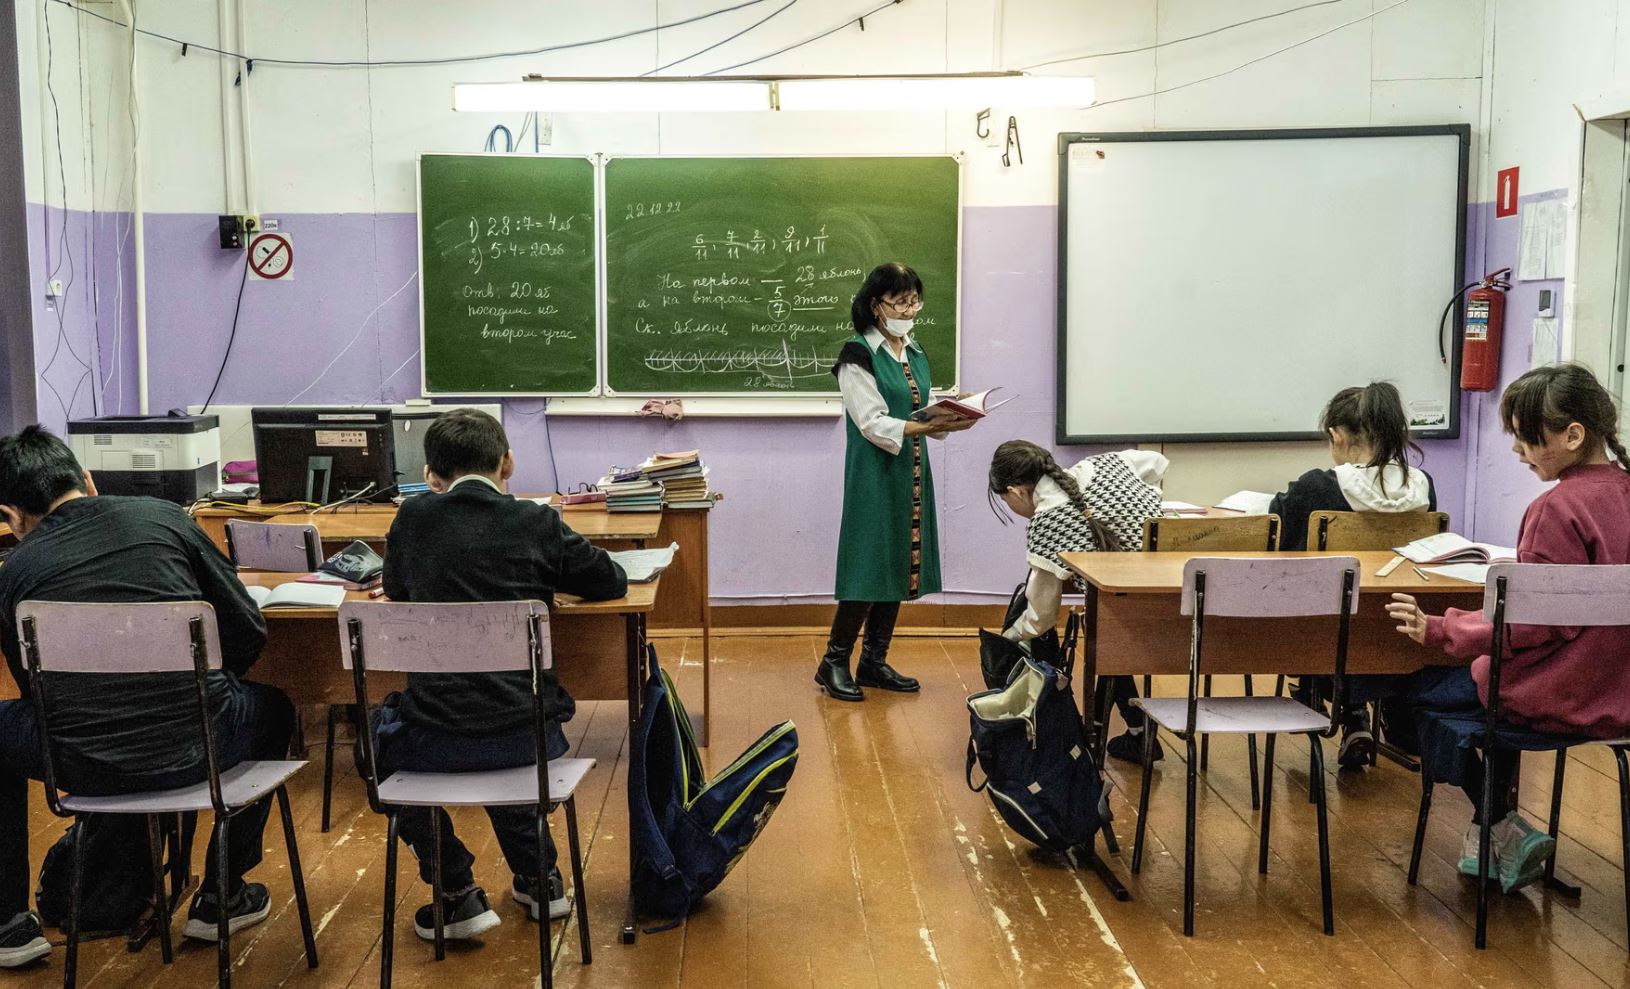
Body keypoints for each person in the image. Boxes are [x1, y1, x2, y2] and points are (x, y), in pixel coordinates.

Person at [0, 426, 292, 967]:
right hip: (201, 748)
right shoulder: (164, 519)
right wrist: (207, 690)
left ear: (12, 517)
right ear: (88, 481)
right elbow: (248, 630)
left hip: (80, 764)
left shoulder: (15, 570)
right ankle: (222, 894)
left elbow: (32, 688)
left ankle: (8, 926)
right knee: (276, 709)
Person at [377, 408, 627, 942]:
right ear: (507, 463)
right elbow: (610, 581)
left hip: (434, 738)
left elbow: (396, 591)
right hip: (528, 738)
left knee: (371, 748)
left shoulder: (413, 519)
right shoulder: (535, 521)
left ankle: (454, 891)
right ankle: (542, 879)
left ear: (431, 475)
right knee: (503, 719)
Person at [1387, 363, 1630, 893]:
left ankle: (1501, 824)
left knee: (1418, 691)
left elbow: (1528, 628)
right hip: (1620, 695)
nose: (1518, 450)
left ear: (1573, 436)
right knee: (1475, 685)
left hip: (1562, 696)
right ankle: (1487, 839)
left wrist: (1440, 630)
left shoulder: (1556, 509)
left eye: (1526, 437)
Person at [817, 263, 973, 702]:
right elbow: (871, 422)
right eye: (900, 302)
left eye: (914, 301)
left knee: (899, 561)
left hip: (911, 470)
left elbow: (917, 407)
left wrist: (951, 414)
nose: (909, 310)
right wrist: (927, 426)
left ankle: (873, 660)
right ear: (875, 305)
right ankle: (833, 661)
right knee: (869, 562)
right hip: (874, 472)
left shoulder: (914, 350)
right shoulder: (857, 356)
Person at [1270, 382, 1438, 768]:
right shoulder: (1423, 487)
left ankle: (1326, 699)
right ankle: (1356, 712)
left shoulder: (1316, 487)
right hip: (1398, 634)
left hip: (1324, 636)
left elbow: (1280, 537)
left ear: (1338, 436)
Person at [988, 441, 1169, 762]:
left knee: (1106, 627)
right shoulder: (1107, 464)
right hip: (1181, 606)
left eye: (1005, 500)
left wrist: (1010, 637)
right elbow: (1156, 461)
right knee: (1107, 623)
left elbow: (1041, 618)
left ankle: (1111, 737)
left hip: (1129, 627)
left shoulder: (1047, 522)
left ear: (1016, 492)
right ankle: (1137, 731)